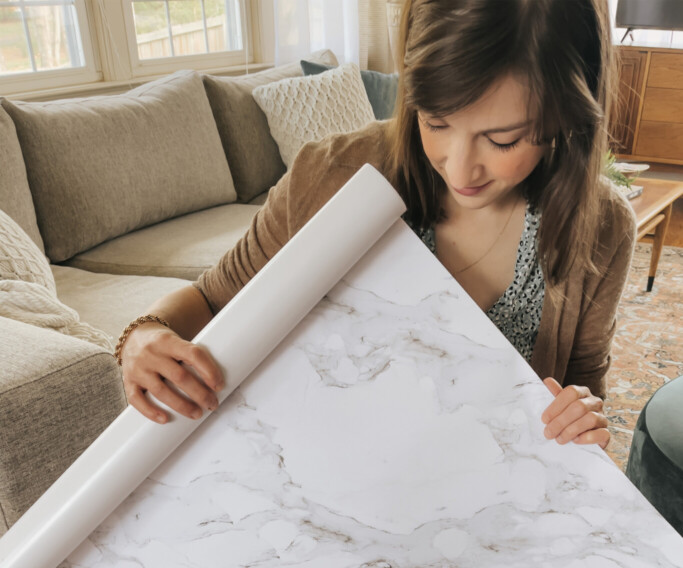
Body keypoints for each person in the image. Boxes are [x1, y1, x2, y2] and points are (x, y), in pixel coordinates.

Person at [117, 0, 636, 451]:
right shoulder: (328, 176)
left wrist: (582, 415)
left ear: (567, 117)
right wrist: (143, 339)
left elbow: (583, 380)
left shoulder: (604, 228)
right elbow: (210, 301)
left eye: (502, 140)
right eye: (434, 121)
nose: (458, 169)